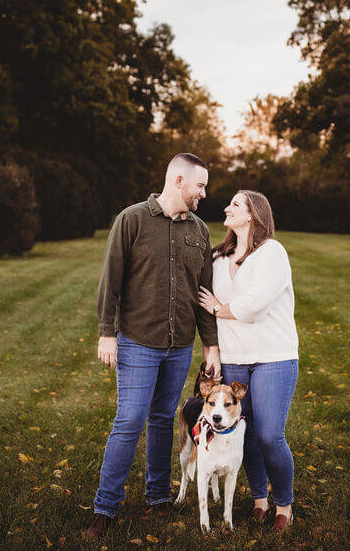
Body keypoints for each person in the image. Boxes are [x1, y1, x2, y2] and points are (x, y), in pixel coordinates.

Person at [85, 153, 222, 540]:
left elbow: (203, 293)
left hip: (179, 345)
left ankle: (157, 496)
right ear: (178, 181)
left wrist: (210, 346)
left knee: (163, 418)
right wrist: (107, 332)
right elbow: (110, 279)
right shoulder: (132, 219)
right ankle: (105, 508)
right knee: (129, 420)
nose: (204, 194)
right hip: (138, 341)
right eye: (200, 186)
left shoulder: (199, 230)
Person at [197, 190, 298, 532]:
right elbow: (201, 302)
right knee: (248, 432)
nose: (227, 208)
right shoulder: (217, 257)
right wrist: (212, 349)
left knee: (270, 434)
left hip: (274, 356)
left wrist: (219, 308)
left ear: (253, 214)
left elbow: (254, 306)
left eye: (235, 204)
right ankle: (260, 499)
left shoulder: (272, 252)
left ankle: (285, 503)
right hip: (235, 357)